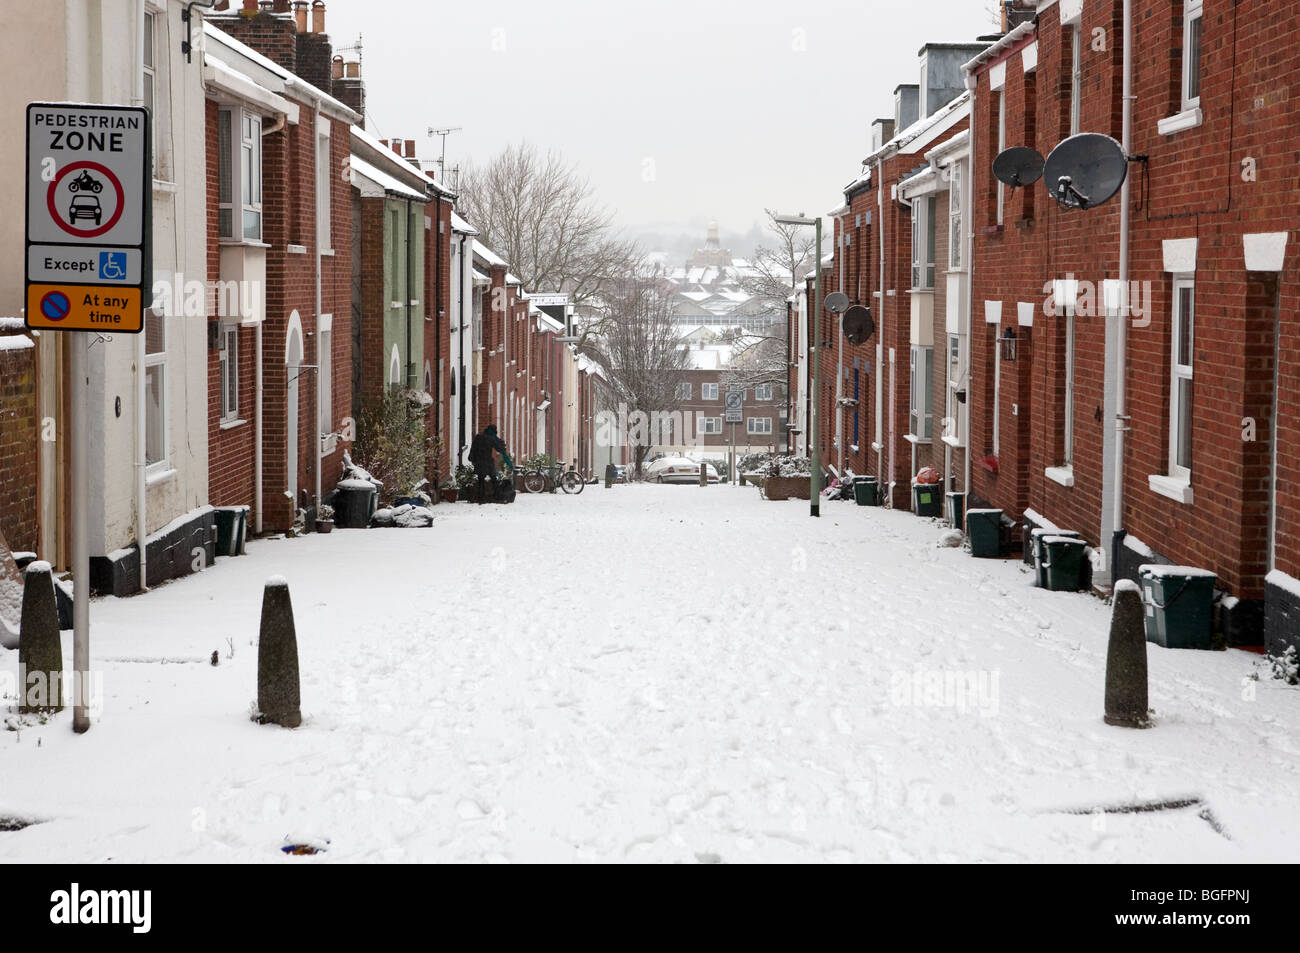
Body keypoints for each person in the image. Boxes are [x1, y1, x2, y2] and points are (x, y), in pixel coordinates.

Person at [468, 424, 513, 504]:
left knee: (481, 480)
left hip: (479, 461)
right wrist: (502, 444)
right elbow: (499, 448)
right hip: (487, 462)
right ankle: (498, 496)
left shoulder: (478, 437)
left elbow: (473, 448)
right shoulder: (491, 438)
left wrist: (472, 459)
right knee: (494, 479)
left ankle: (481, 498)